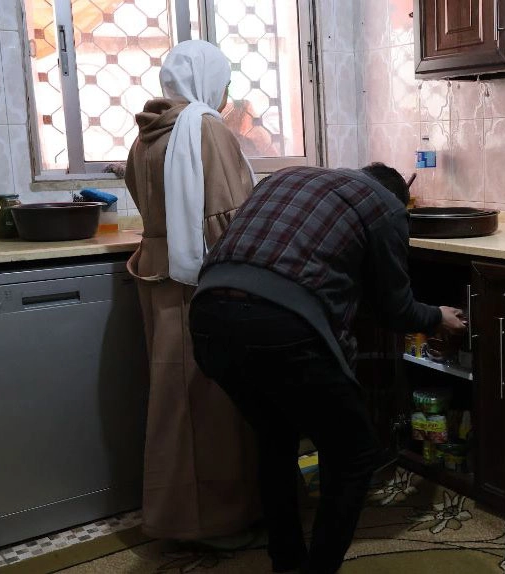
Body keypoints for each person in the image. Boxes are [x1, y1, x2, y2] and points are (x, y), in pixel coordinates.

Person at [188, 163, 466, 574]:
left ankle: (286, 561)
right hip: (280, 324)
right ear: (400, 198)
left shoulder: (286, 176)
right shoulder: (386, 207)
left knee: (275, 439)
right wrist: (437, 316)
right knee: (354, 454)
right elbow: (395, 309)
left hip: (207, 317)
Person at [124, 40, 261, 544]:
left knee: (172, 396)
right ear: (207, 79)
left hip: (158, 268)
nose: (226, 93)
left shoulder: (147, 133)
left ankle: (176, 514)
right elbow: (229, 213)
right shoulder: (205, 127)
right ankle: (218, 520)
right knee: (210, 396)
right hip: (201, 274)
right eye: (224, 81)